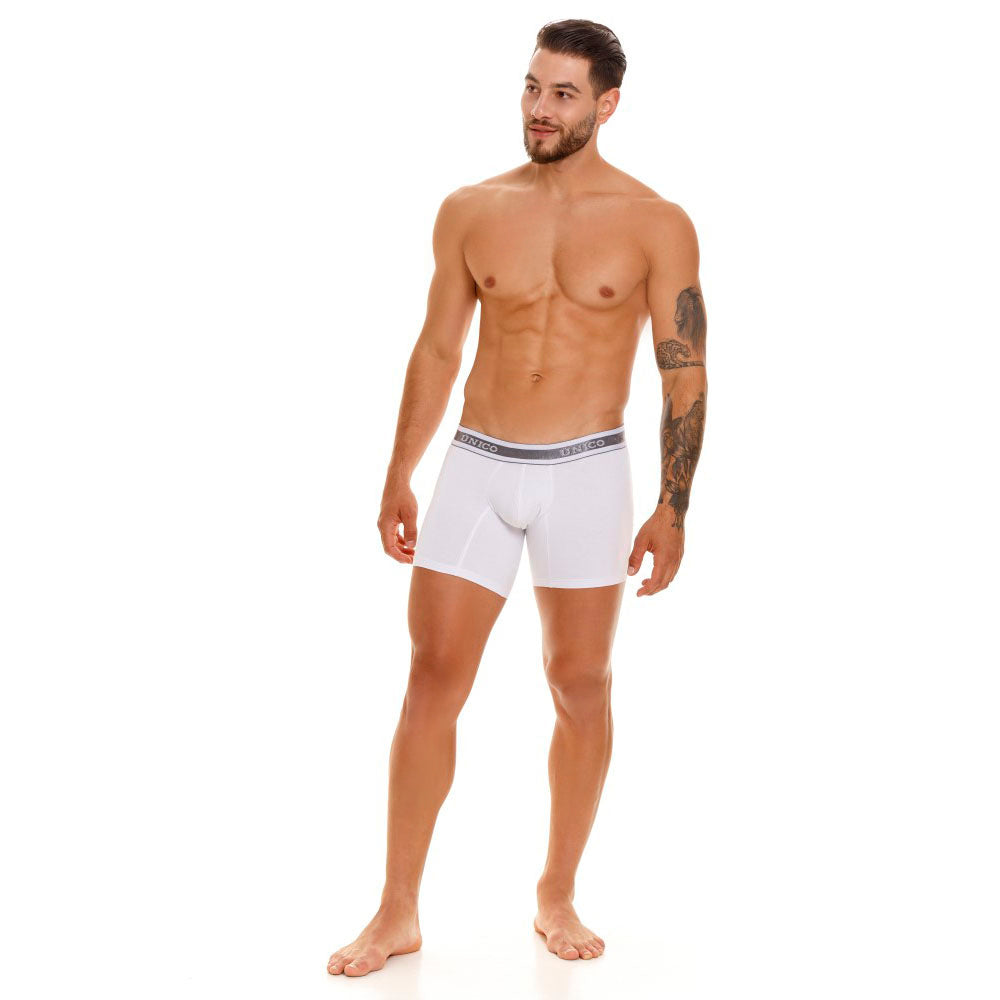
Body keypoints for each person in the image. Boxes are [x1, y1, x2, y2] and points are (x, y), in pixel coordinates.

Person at [328, 17, 707, 977]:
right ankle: (397, 908)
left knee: (580, 685)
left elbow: (683, 369)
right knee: (431, 679)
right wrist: (399, 470)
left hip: (587, 470)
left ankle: (556, 890)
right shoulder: (471, 208)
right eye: (533, 88)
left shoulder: (656, 222)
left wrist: (674, 505)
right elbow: (438, 349)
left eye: (563, 94)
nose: (540, 108)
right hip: (478, 465)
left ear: (607, 105)